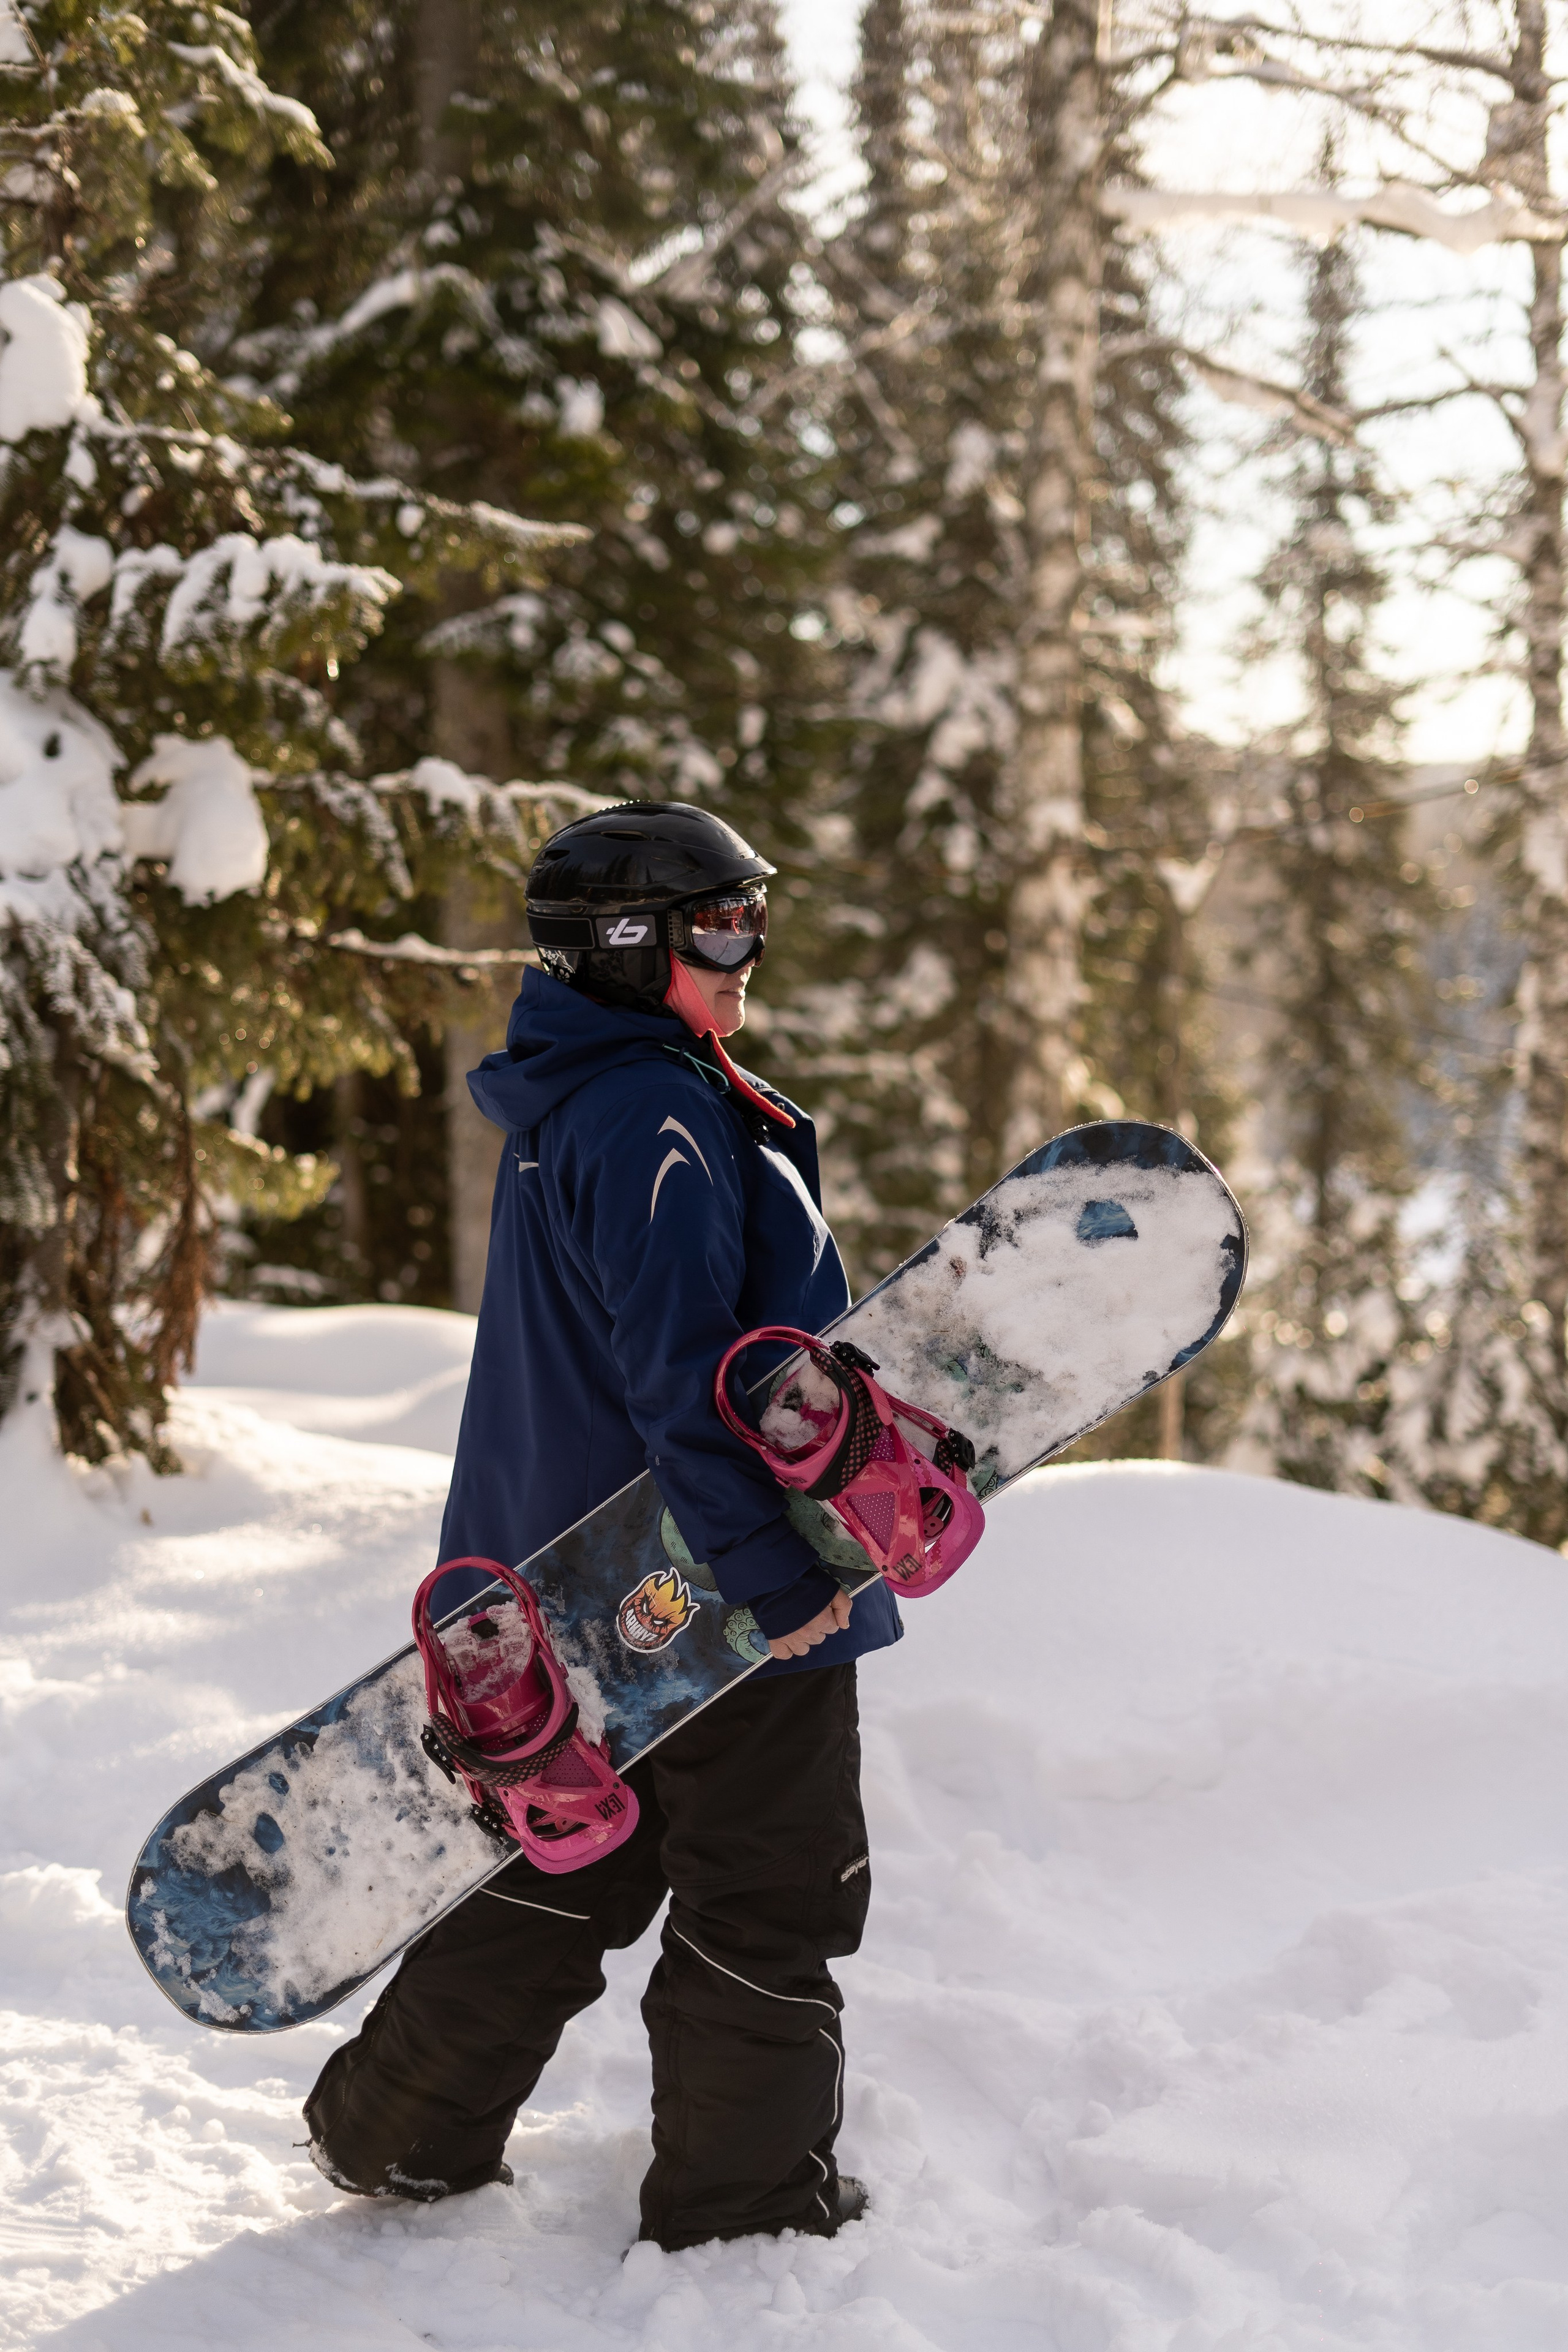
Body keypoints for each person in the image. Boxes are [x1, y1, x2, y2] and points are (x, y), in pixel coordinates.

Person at [303, 801, 902, 2250]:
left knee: (583, 1860)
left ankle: (396, 2131)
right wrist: (775, 1578)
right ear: (630, 946)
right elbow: (678, 1373)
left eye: (752, 915)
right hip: (705, 1575)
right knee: (768, 1888)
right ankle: (744, 2209)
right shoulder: (652, 1114)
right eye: (719, 923)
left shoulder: (587, 1093)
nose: (747, 948)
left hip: (581, 1571)